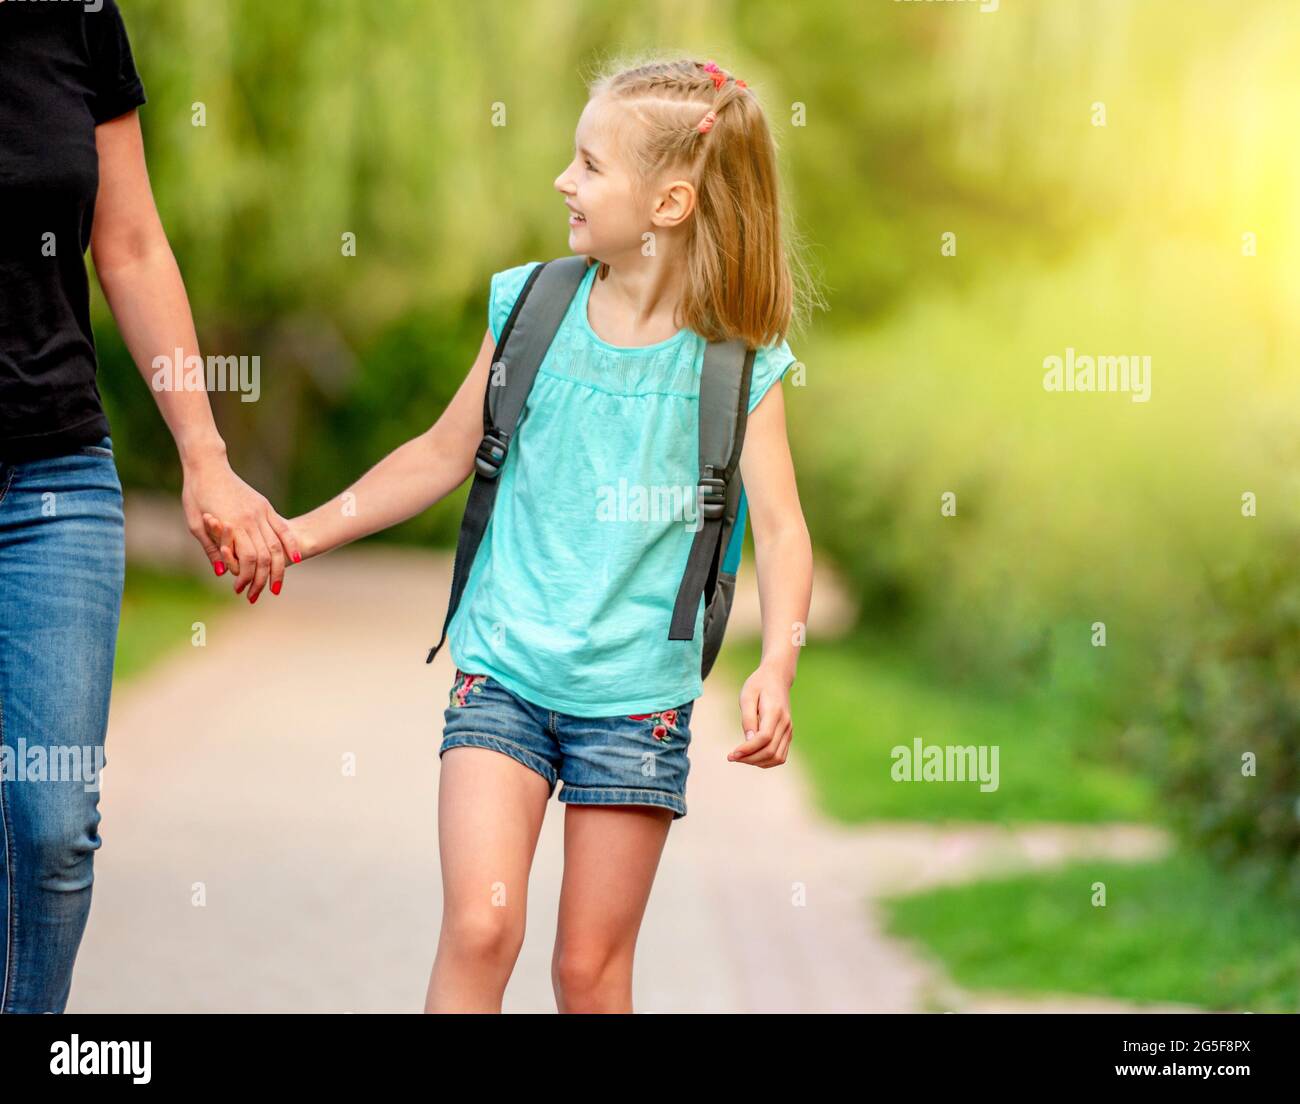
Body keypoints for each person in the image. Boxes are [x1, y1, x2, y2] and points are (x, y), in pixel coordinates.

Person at [206, 55, 814, 1013]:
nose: (564, 182)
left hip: (635, 705)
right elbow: (440, 453)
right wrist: (298, 535)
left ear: (669, 202)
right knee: (483, 927)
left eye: (590, 165)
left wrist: (776, 664)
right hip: (505, 669)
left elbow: (781, 532)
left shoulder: (737, 364)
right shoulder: (534, 306)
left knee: (588, 973)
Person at [0, 0, 297, 1013]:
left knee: (49, 823)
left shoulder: (76, 16)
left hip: (50, 477)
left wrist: (204, 455)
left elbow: (128, 244)